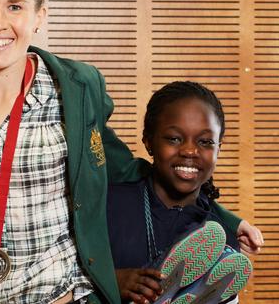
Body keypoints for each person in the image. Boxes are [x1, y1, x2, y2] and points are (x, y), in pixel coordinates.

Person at [0, 0, 263, 303]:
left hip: (55, 294)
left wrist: (224, 219)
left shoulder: (76, 91)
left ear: (39, 16)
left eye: (15, 7)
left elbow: (130, 170)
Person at [107, 81, 253, 304]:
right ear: (148, 141)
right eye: (174, 138)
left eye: (205, 142)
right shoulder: (111, 203)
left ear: (218, 150)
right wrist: (110, 281)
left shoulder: (222, 234)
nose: (190, 151)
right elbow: (61, 274)